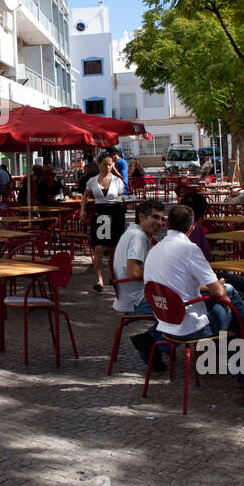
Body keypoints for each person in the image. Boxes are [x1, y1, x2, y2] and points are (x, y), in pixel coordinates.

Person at [142, 204, 244, 380]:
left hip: (164, 320)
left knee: (233, 305)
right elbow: (219, 293)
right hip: (188, 325)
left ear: (167, 224)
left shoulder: (154, 250)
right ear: (191, 228)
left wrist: (212, 289)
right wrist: (219, 287)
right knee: (232, 298)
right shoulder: (190, 249)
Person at [113, 200, 168, 371]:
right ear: (141, 216)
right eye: (155, 217)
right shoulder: (138, 237)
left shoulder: (136, 233)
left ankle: (154, 343)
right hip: (136, 299)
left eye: (162, 219)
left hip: (132, 295)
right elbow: (134, 273)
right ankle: (152, 341)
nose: (160, 223)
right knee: (184, 307)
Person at [179, 191, 244, 313]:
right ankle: (241, 330)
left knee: (242, 287)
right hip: (199, 284)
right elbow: (207, 261)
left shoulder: (168, 239)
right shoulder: (195, 229)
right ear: (203, 212)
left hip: (189, 285)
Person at [82, 152, 127, 293]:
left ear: (113, 165)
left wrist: (125, 203)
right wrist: (83, 211)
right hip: (100, 214)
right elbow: (85, 197)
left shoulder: (117, 181)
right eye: (104, 164)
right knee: (99, 247)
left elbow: (122, 198)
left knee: (113, 248)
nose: (107, 167)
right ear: (99, 164)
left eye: (109, 164)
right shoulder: (92, 181)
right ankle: (99, 279)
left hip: (115, 213)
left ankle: (112, 276)